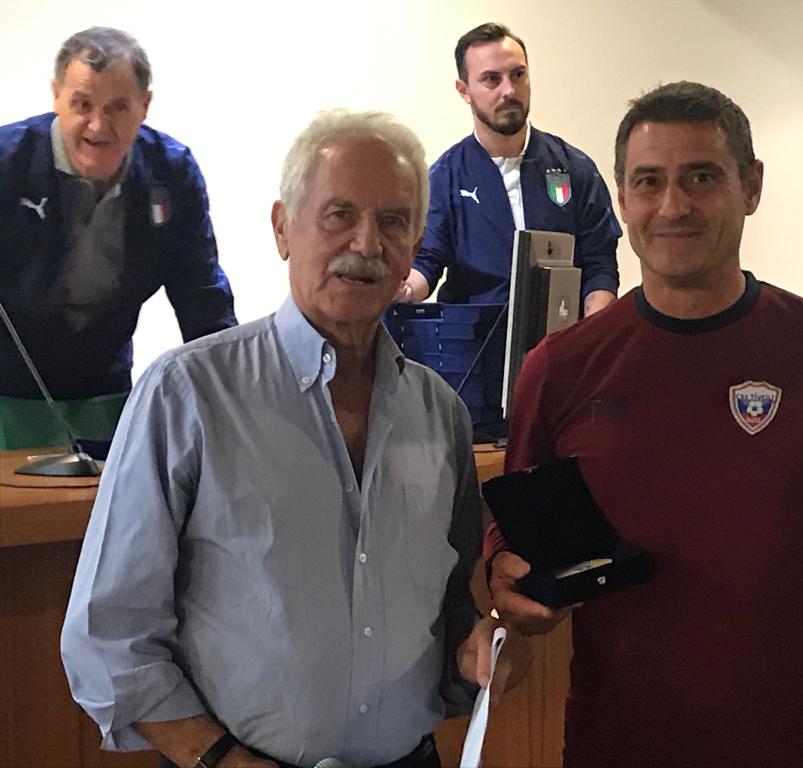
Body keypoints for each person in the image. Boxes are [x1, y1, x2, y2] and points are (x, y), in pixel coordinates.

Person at [484, 80, 803, 768]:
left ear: (752, 186)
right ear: (622, 196)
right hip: (618, 747)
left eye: (702, 177)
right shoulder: (561, 368)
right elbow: (516, 534)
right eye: (649, 181)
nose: (673, 206)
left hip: (795, 747)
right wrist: (505, 573)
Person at [61, 108, 528, 768]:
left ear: (414, 244)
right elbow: (109, 630)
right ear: (283, 228)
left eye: (393, 222)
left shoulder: (441, 415)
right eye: (340, 214)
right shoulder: (187, 394)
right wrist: (218, 759)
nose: (367, 243)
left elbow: (450, 607)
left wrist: (476, 650)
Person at [0, 26, 235, 450]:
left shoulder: (172, 173)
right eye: (82, 104)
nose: (97, 125)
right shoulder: (6, 162)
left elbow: (202, 299)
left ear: (145, 106)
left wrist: (234, 401)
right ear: (56, 96)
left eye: (118, 107)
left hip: (106, 393)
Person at [399, 22, 620, 316]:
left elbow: (600, 265)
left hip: (564, 334)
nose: (509, 90)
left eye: (518, 75)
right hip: (477, 338)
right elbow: (426, 261)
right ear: (464, 90)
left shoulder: (575, 168)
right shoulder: (444, 178)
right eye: (492, 79)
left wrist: (592, 330)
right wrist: (403, 291)